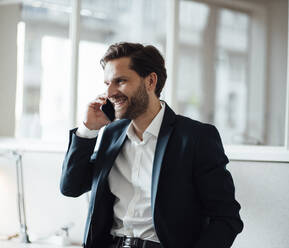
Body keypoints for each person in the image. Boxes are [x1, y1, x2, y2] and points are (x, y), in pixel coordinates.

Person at [60, 42, 243, 248]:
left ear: (150, 81)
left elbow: (227, 218)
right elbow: (71, 187)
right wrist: (87, 131)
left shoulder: (195, 137)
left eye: (120, 81)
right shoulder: (111, 133)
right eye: (107, 83)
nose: (109, 92)